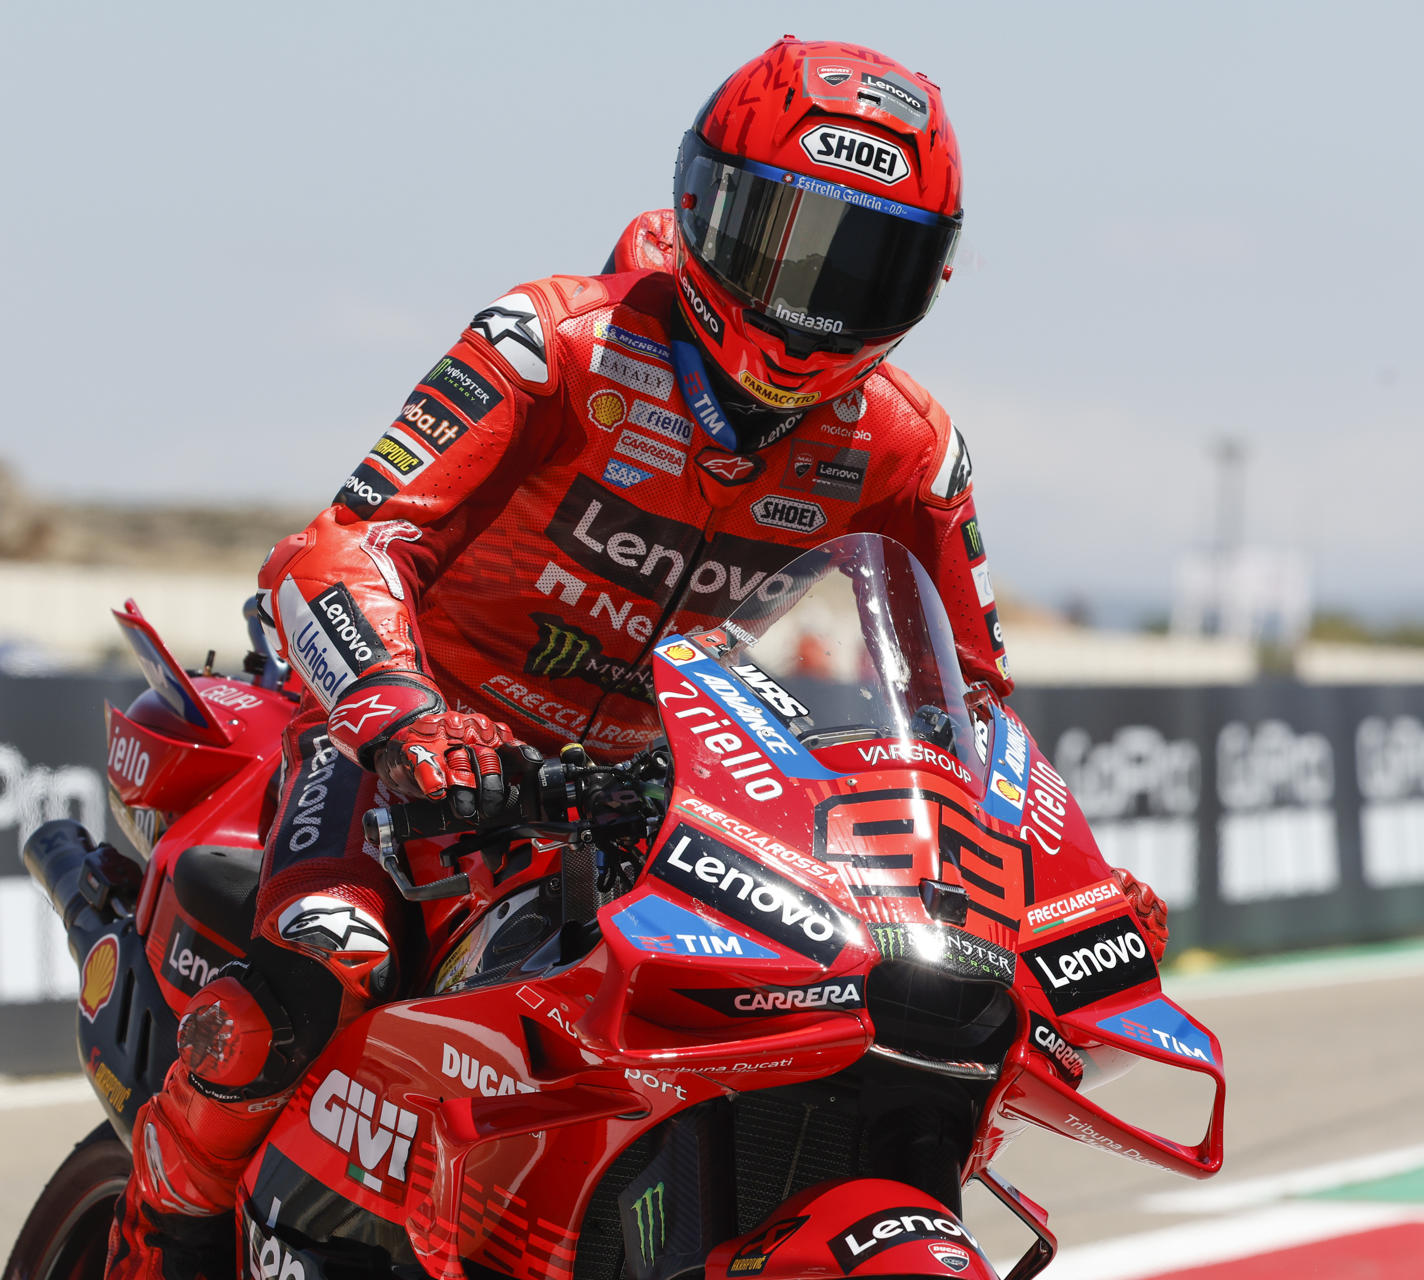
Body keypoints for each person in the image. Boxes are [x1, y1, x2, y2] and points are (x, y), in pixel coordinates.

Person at [106, 35, 1170, 1279]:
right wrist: (404, 718)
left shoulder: (907, 448)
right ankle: (161, 1228)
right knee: (327, 947)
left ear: (925, 278)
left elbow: (969, 707)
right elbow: (342, 544)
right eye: (787, 241)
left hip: (657, 798)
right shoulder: (552, 340)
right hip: (415, 746)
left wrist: (1055, 877)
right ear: (705, 201)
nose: (814, 299)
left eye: (864, 262)